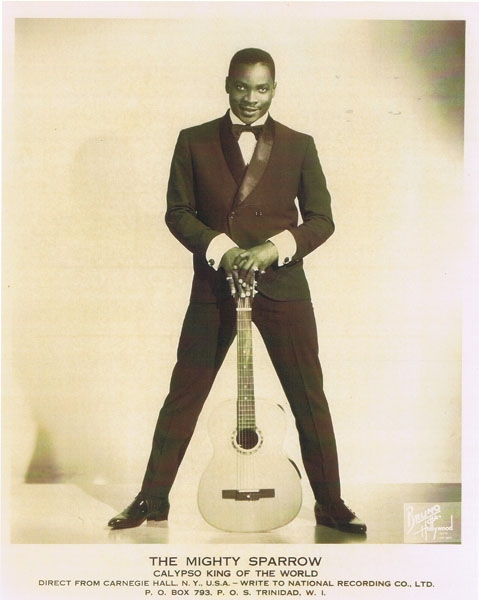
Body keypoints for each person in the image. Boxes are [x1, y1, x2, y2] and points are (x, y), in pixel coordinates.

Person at [108, 48, 366, 534]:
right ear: (227, 85)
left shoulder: (299, 144)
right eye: (242, 87)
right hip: (215, 284)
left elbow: (322, 219)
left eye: (262, 88)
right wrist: (222, 249)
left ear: (274, 89)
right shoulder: (193, 140)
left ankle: (331, 504)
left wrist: (273, 249)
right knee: (184, 394)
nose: (251, 98)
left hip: (282, 284)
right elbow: (177, 212)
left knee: (309, 397)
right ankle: (152, 499)